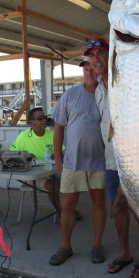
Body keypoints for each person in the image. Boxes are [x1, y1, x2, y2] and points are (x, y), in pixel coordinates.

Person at [87, 38, 139, 277]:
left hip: (135, 159)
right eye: (91, 55)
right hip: (112, 161)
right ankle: (125, 253)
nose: (96, 58)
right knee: (118, 208)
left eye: (101, 52)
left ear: (112, 55)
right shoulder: (99, 88)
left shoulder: (125, 80)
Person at [50, 57, 107, 266]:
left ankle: (97, 245)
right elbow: (58, 128)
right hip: (72, 161)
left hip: (100, 161)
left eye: (92, 69)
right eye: (85, 69)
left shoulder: (108, 94)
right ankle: (65, 246)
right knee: (68, 206)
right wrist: (58, 156)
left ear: (99, 70)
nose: (89, 73)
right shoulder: (70, 94)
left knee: (99, 203)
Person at [9, 107, 62, 214]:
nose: (44, 120)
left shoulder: (52, 134)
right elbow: (11, 155)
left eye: (45, 117)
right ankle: (61, 212)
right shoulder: (23, 136)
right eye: (40, 118)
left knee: (71, 181)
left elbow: (62, 155)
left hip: (51, 170)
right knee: (52, 185)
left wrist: (56, 154)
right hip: (33, 173)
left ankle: (68, 210)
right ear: (31, 122)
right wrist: (25, 155)